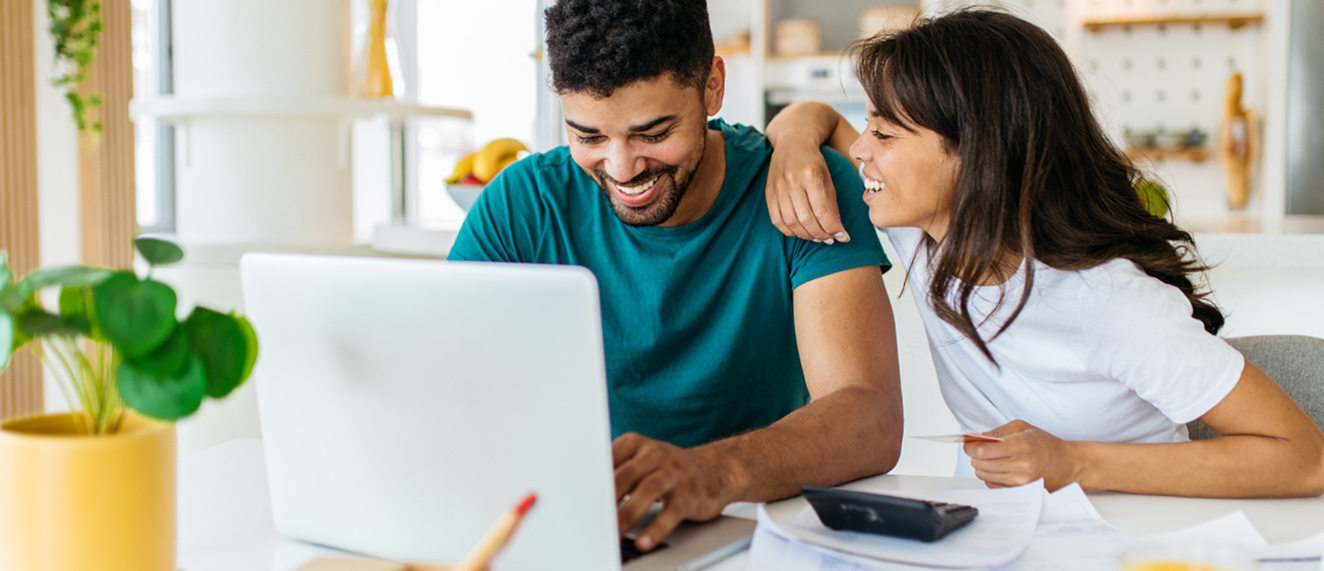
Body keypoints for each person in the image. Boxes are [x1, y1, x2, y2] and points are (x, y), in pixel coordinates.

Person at [764, 8, 1324, 497]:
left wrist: (1073, 461)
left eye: (885, 135)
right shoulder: (926, 232)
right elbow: (817, 117)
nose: (859, 150)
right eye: (869, 126)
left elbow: (1302, 458)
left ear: (977, 154)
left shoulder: (1107, 298)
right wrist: (792, 142)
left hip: (1123, 539)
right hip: (996, 534)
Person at [448, 0, 906, 550]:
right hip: (578, 528)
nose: (621, 169)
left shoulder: (803, 190)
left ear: (712, 87)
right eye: (589, 137)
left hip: (753, 531)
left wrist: (710, 472)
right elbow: (445, 390)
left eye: (652, 132)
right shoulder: (520, 207)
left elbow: (870, 416)